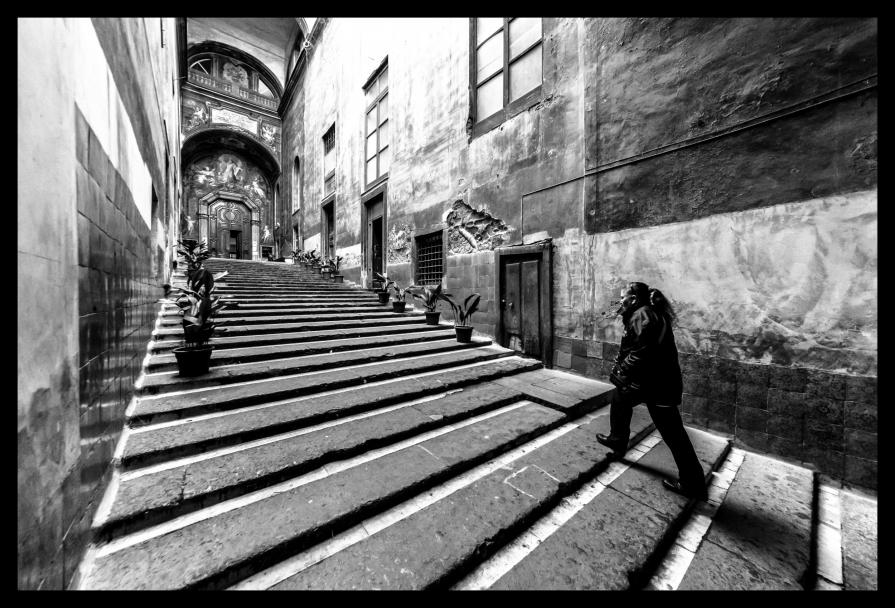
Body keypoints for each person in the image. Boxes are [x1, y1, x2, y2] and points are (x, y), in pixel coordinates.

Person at [596, 281, 708, 501]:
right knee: (620, 397)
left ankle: (693, 483)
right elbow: (631, 344)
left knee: (673, 433)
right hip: (650, 381)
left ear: (634, 299)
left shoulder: (643, 315)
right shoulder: (644, 313)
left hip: (659, 385)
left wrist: (622, 371)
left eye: (623, 297)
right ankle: (617, 439)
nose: (620, 301)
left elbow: (642, 352)